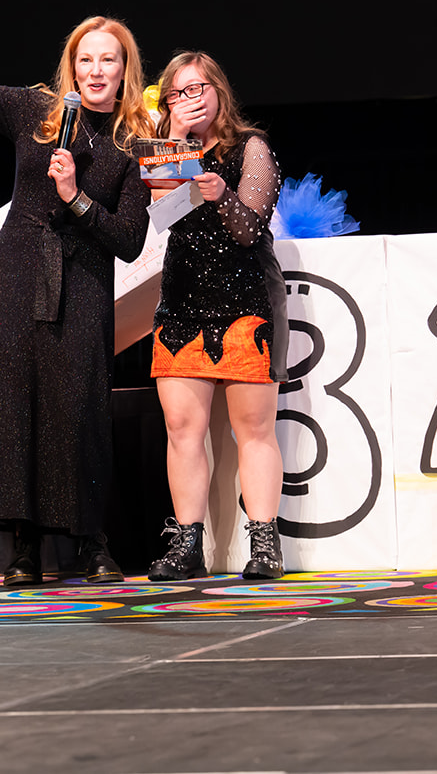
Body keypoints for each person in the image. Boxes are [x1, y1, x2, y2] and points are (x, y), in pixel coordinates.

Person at [0, 0, 153, 586]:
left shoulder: (137, 141)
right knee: (14, 405)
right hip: (15, 277)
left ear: (125, 70)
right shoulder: (37, 112)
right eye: (86, 59)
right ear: (72, 66)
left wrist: (74, 198)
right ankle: (24, 547)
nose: (96, 70)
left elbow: (131, 241)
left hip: (83, 283)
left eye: (108, 59)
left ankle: (90, 542)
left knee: (78, 409)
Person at [145, 52, 287, 582]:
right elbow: (155, 216)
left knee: (254, 430)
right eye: (179, 92)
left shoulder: (251, 148)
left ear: (219, 91)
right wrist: (177, 144)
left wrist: (223, 194)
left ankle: (266, 544)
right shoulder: (163, 151)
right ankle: (187, 546)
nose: (192, 98)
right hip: (182, 304)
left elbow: (250, 230)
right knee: (183, 429)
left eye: (199, 87)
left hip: (245, 302)